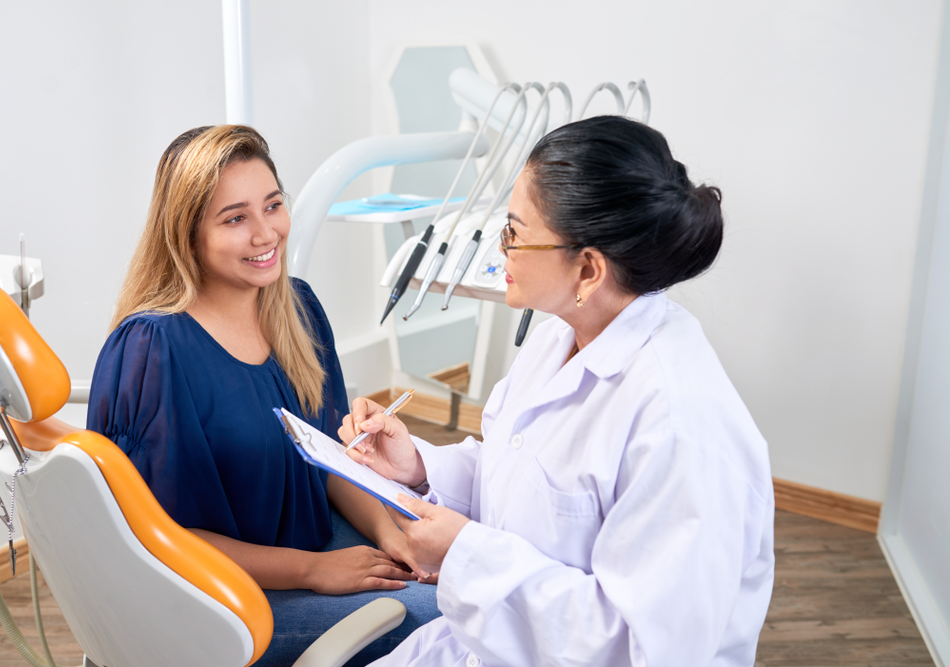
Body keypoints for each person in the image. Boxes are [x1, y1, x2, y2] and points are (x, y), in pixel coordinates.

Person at [340, 116, 775, 667]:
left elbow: (643, 649)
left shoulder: (679, 426)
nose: (502, 251)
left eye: (515, 234)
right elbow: (522, 476)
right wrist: (419, 467)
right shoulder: (559, 340)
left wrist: (467, 557)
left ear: (588, 270)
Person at [87, 125, 439, 666]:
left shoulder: (296, 309)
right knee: (449, 617)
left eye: (273, 206)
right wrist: (313, 572)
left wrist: (390, 533)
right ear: (187, 235)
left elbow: (325, 461)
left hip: (315, 545)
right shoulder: (153, 347)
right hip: (218, 598)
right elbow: (149, 540)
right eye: (235, 218)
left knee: (468, 580)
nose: (266, 233)